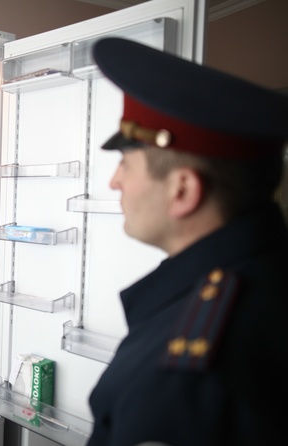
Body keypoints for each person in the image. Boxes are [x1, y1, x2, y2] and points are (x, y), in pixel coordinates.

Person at [86, 37, 288, 446]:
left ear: (182, 190)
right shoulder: (270, 278)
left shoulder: (186, 370)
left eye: (126, 163)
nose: (115, 181)